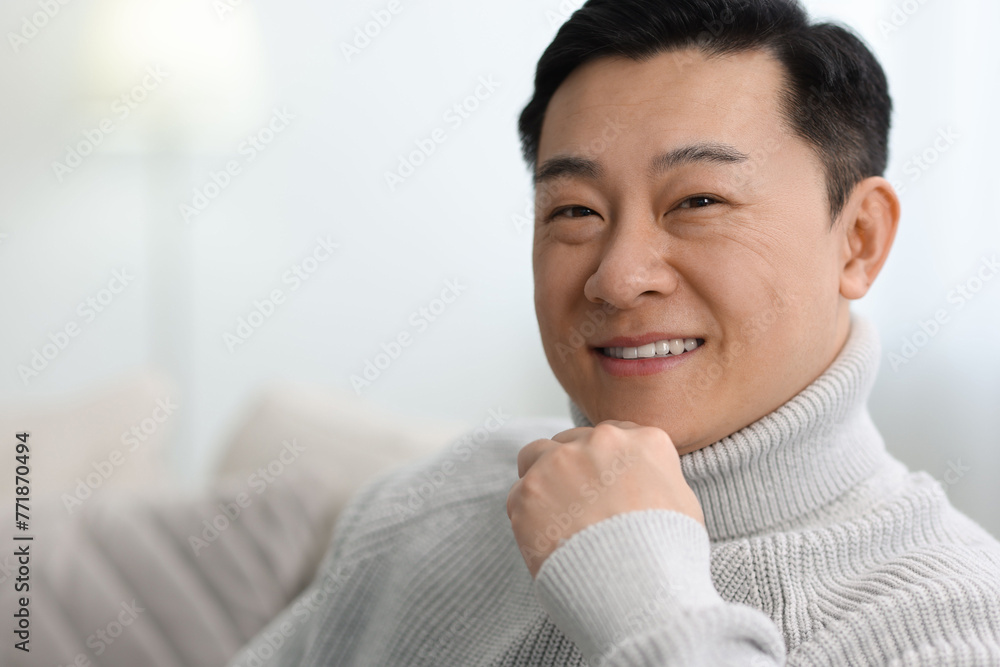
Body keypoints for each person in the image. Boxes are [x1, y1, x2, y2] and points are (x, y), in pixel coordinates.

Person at [229, 1, 1000, 664]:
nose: (619, 275)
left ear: (859, 238)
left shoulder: (955, 619)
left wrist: (637, 585)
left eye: (697, 201)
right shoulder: (433, 504)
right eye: (574, 212)